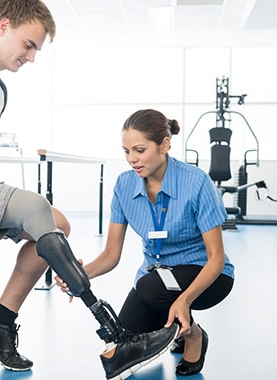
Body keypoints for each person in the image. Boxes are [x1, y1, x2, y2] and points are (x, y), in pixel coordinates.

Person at [0, 1, 178, 379]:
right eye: (28, 45)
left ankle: (0, 320)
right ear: (4, 26)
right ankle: (113, 336)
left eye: (36, 50)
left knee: (56, 224)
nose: (30, 57)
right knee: (37, 206)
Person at [56, 109, 235, 376]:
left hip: (206, 274)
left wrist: (184, 300)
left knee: (150, 286)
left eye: (139, 150)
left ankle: (193, 335)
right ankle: (175, 326)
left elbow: (216, 257)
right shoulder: (124, 185)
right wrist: (78, 275)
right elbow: (111, 254)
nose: (132, 159)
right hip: (156, 281)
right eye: (126, 151)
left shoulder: (196, 182)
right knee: (122, 341)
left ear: (164, 144)